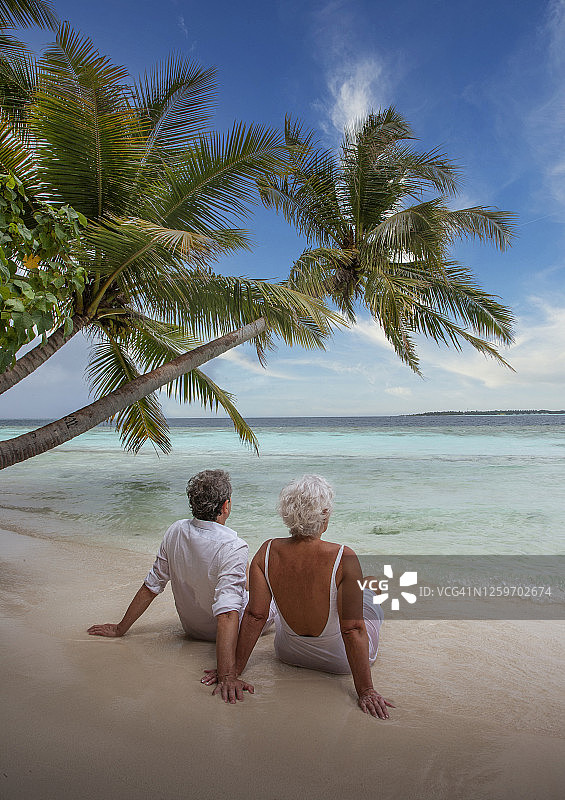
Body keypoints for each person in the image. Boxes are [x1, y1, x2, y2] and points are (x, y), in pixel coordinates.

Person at [202, 474, 394, 719]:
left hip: (288, 653)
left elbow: (255, 616)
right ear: (325, 514)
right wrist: (366, 691)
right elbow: (353, 629)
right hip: (339, 661)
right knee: (371, 595)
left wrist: (232, 670)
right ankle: (376, 589)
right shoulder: (343, 556)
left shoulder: (267, 551)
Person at [88, 469, 253, 703]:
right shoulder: (234, 546)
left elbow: (151, 586)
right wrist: (227, 675)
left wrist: (120, 628)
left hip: (193, 629)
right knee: (263, 587)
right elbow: (227, 614)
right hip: (225, 633)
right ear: (226, 506)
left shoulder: (176, 530)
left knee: (241, 567)